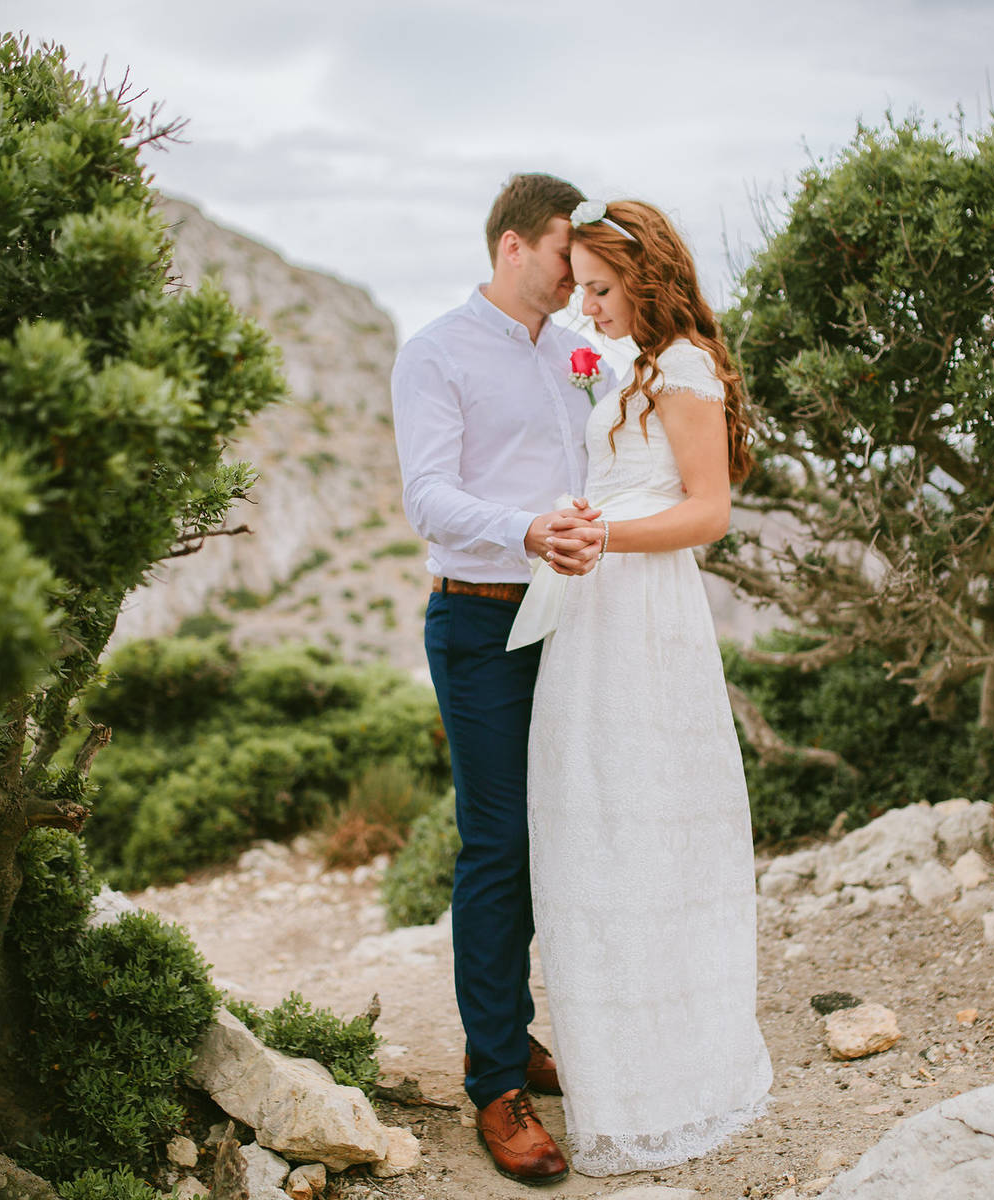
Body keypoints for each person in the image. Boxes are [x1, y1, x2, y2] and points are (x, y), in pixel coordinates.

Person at [514, 198, 772, 1176]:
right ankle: (615, 1059)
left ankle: (674, 1068)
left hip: (647, 616)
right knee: (596, 822)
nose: (587, 305)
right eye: (580, 287)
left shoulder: (689, 367)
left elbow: (707, 512)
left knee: (651, 820)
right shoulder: (633, 370)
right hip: (597, 611)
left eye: (601, 287)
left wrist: (607, 533)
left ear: (648, 276)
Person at [389, 172, 612, 1185]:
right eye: (570, 251)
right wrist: (522, 528)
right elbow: (428, 498)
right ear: (515, 246)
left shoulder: (577, 354)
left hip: (573, 620)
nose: (581, 272)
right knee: (498, 841)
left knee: (560, 832)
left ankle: (513, 1029)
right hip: (480, 622)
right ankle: (493, 1083)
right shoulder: (436, 351)